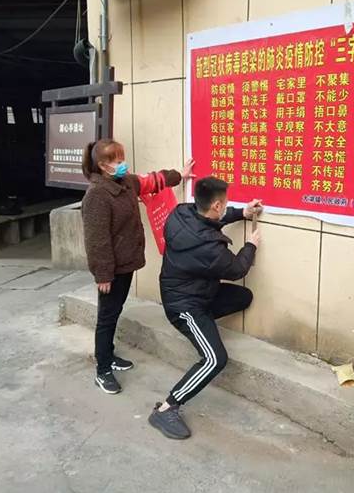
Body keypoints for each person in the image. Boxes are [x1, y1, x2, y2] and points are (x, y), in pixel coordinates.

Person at [149, 176, 262, 439]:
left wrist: (241, 213)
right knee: (215, 359)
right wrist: (251, 245)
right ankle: (167, 408)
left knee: (243, 297)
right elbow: (237, 269)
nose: (226, 207)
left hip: (198, 293)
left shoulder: (181, 213)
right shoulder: (210, 249)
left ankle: (203, 326)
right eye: (225, 204)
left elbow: (207, 223)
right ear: (216, 205)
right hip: (183, 306)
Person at [81, 138, 194, 395]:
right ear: (103, 165)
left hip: (126, 262)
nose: (123, 164)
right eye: (117, 161)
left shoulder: (126, 182)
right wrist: (103, 274)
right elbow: (97, 240)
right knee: (107, 317)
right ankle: (102, 370)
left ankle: (108, 355)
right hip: (111, 270)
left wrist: (180, 174)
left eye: (122, 159)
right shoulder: (97, 195)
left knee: (114, 311)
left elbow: (152, 181)